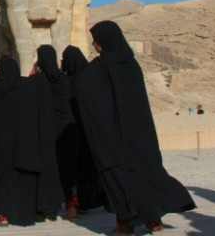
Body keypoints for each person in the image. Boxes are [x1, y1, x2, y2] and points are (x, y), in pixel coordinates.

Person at [76, 21, 195, 235]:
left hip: (113, 138)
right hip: (140, 135)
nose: (94, 44)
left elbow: (83, 90)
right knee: (146, 174)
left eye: (96, 39)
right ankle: (153, 220)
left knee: (120, 180)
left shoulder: (99, 68)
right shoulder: (131, 64)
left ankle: (126, 225)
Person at [0, 54, 62, 226]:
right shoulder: (26, 86)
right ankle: (25, 213)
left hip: (0, 141)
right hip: (24, 141)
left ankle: (2, 213)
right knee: (23, 178)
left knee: (3, 178)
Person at [62, 45, 109, 220]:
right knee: (95, 166)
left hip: (72, 131)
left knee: (76, 167)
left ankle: (77, 203)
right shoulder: (92, 78)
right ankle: (104, 200)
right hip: (91, 129)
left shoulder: (66, 82)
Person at [32, 45, 73, 221]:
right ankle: (72, 208)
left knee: (48, 170)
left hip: (46, 131)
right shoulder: (64, 80)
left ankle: (48, 209)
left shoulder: (38, 81)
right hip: (65, 130)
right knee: (67, 169)